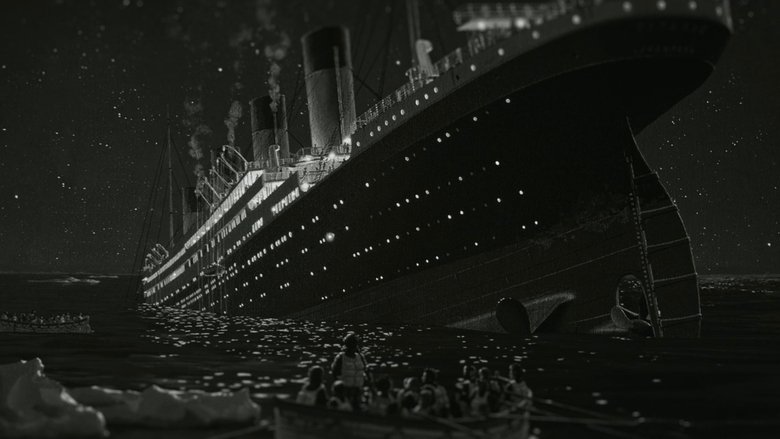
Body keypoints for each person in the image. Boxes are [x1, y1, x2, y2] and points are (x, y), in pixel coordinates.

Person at [331, 332, 369, 410]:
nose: (353, 345)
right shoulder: (341, 357)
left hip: (358, 389)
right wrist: (339, 390)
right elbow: (335, 373)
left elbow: (366, 371)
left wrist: (367, 384)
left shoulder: (360, 356)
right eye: (351, 343)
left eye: (354, 343)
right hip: (345, 390)